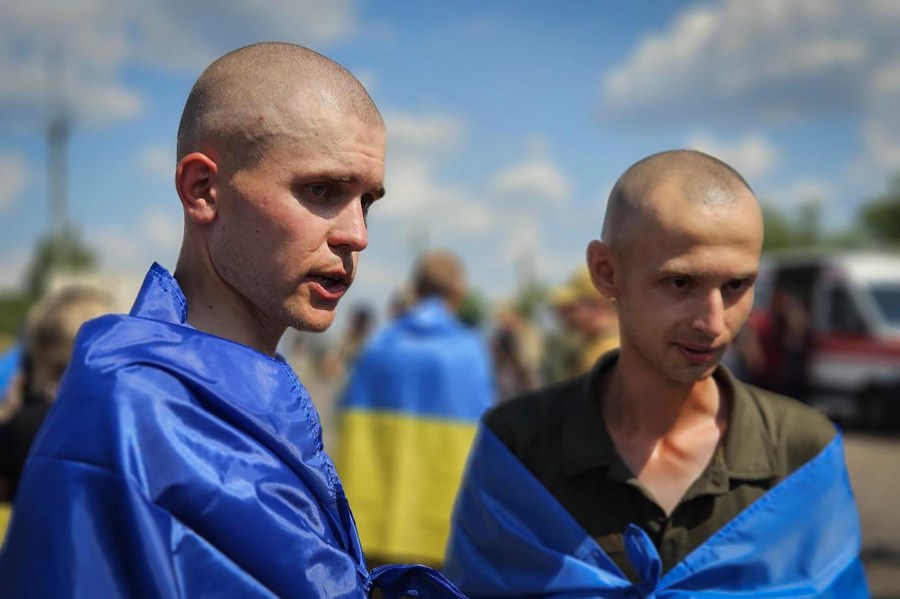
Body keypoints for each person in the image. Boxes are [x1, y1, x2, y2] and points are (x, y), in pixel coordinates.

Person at [0, 43, 463, 598]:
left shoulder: (244, 390)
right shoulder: (130, 413)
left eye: (367, 201)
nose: (357, 234)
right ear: (203, 190)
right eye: (321, 191)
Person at [445, 150, 868, 597]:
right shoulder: (520, 446)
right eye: (681, 283)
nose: (713, 322)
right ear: (607, 273)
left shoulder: (801, 451)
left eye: (736, 286)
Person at [336, 250, 494, 568]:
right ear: (459, 293)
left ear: (415, 288)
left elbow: (347, 428)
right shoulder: (470, 353)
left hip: (373, 529)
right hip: (443, 534)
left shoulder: (379, 345)